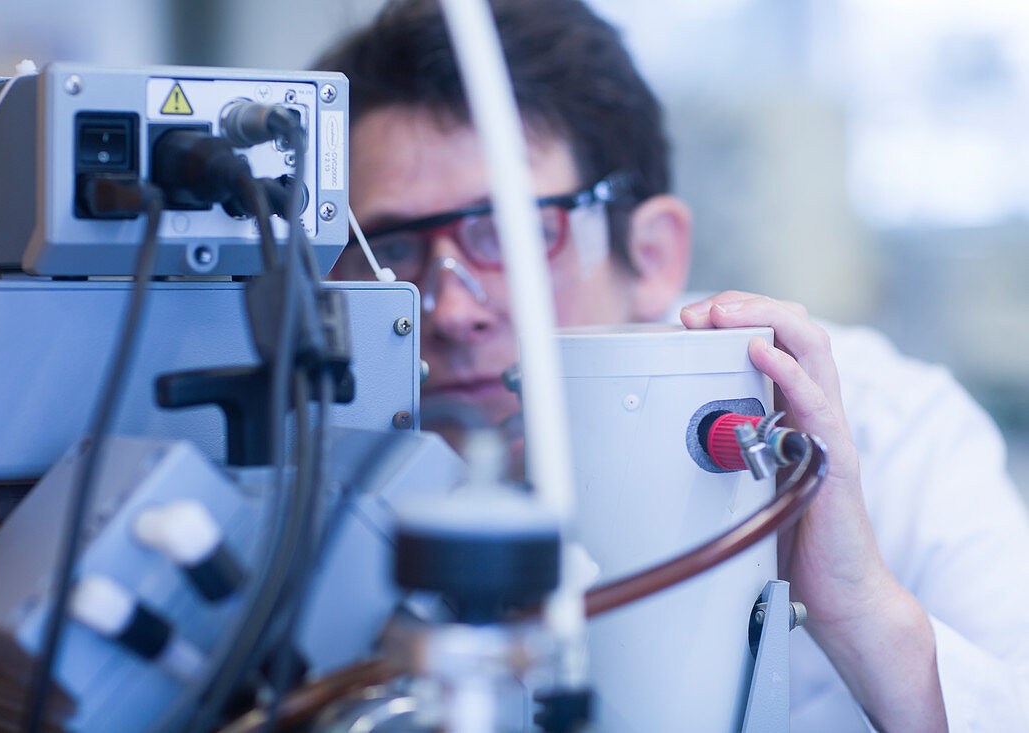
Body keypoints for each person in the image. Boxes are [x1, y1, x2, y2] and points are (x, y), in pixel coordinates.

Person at [316, 0, 1029, 729]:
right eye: (392, 249)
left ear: (652, 253)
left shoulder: (892, 438)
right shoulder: (307, 479)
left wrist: (857, 607)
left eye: (509, 232)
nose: (450, 311)